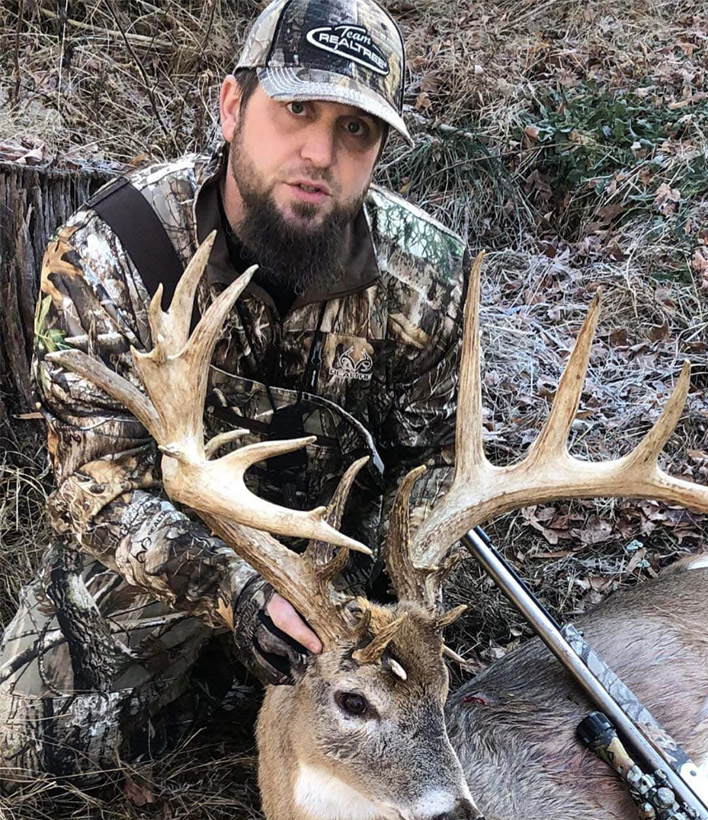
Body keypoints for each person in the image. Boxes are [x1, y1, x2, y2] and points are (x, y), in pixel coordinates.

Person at [0, 0, 468, 777]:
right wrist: (237, 590)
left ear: (380, 149)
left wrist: (396, 591)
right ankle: (218, 692)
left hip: (338, 567)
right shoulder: (110, 251)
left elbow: (437, 466)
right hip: (174, 553)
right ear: (230, 107)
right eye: (296, 110)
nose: (320, 152)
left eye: (356, 129)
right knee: (25, 734)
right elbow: (94, 483)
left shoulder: (427, 278)